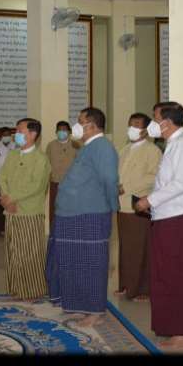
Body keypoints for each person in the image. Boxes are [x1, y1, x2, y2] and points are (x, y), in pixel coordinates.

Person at [135, 102, 183, 349]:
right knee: (166, 274)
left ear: (167, 121)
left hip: (179, 220)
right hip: (167, 217)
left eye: (155, 119)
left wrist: (149, 200)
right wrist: (153, 202)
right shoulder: (174, 144)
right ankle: (173, 327)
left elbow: (181, 183)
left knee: (178, 275)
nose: (153, 124)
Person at [46, 107, 119, 327]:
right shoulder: (88, 147)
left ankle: (95, 311)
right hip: (71, 215)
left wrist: (112, 206)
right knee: (73, 262)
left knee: (92, 264)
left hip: (90, 215)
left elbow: (110, 180)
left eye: (80, 121)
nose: (75, 126)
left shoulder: (103, 147)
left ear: (92, 125)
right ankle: (80, 305)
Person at [0, 118, 51, 299]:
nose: (16, 135)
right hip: (10, 211)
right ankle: (15, 287)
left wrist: (12, 198)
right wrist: (6, 200)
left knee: (29, 252)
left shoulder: (41, 159)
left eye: (20, 131)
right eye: (16, 131)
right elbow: (3, 177)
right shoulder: (13, 155)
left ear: (32, 134)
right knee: (12, 251)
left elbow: (36, 186)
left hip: (29, 212)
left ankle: (32, 290)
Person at [115, 113, 162, 302]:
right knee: (125, 248)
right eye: (130, 124)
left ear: (145, 130)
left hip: (139, 205)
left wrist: (127, 186)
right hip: (121, 205)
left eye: (136, 125)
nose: (131, 128)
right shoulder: (124, 149)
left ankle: (142, 289)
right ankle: (126, 285)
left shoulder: (153, 151)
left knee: (140, 248)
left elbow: (154, 176)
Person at [45, 121, 80, 228]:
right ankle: (55, 233)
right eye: (59, 130)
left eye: (64, 130)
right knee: (55, 210)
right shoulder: (51, 145)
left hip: (72, 185)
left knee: (71, 210)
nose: (62, 132)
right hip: (55, 183)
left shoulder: (76, 145)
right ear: (56, 131)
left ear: (69, 132)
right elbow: (47, 165)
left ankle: (71, 233)